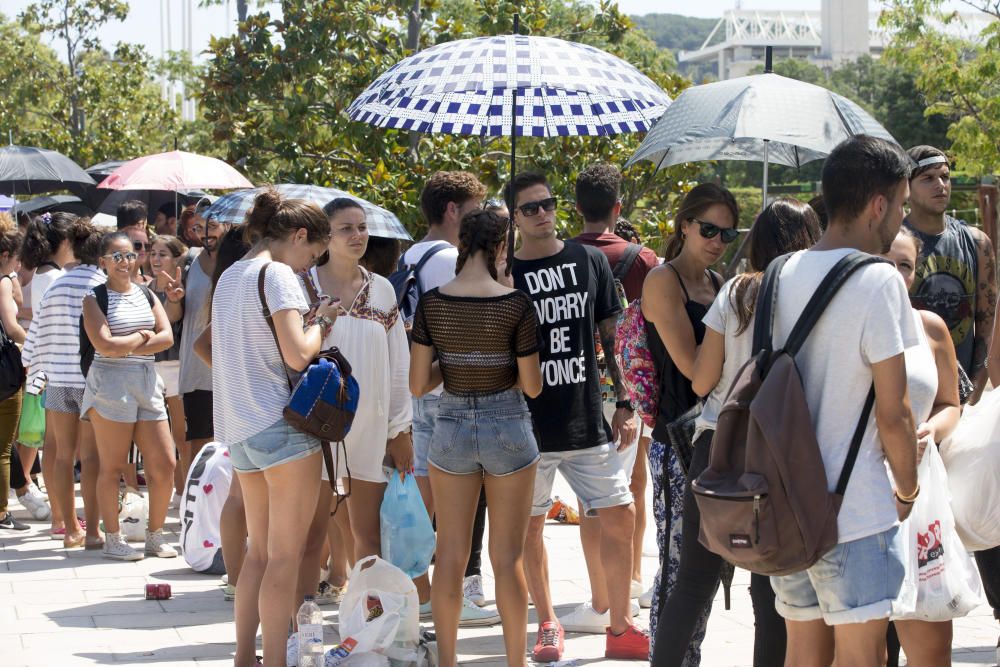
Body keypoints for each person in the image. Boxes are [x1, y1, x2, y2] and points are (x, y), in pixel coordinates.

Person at [767, 135, 918, 667]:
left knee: (802, 656)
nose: (901, 218)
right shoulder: (878, 280)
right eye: (901, 206)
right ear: (878, 205)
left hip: (786, 506)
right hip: (854, 510)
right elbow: (894, 413)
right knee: (863, 659)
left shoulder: (778, 273)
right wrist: (908, 488)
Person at [668, 198, 820, 666]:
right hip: (780, 451)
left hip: (719, 445)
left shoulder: (734, 292)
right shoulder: (817, 295)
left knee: (693, 582)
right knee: (772, 586)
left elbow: (700, 380)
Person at [508, 172, 645, 662]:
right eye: (530, 208)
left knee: (621, 514)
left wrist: (626, 401)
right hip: (525, 425)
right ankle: (547, 623)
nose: (543, 213)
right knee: (529, 527)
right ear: (515, 219)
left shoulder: (587, 259)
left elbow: (613, 335)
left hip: (587, 417)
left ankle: (621, 624)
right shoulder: (506, 272)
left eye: (547, 204)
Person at [410, 208, 542, 667]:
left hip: (449, 428)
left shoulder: (432, 303)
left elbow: (417, 384)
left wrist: (461, 359)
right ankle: (514, 663)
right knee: (508, 560)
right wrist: (493, 354)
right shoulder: (515, 304)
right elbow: (532, 385)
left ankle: (446, 661)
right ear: (501, 247)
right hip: (507, 424)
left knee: (449, 553)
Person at [211, 188, 336, 667]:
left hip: (240, 428)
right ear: (299, 235)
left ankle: (246, 657)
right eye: (312, 254)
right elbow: (298, 353)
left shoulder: (231, 274)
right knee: (283, 558)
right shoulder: (277, 274)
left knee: (258, 556)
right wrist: (322, 318)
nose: (308, 266)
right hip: (281, 428)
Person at [905, 146, 1000, 641]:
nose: (941, 186)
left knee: (977, 502)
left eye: (945, 177)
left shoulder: (975, 241)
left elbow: (986, 311)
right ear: (906, 186)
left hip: (963, 398)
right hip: (913, 399)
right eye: (929, 178)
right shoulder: (897, 242)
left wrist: (980, 383)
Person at [299, 198, 413, 605]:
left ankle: (371, 625)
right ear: (325, 235)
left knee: (369, 535)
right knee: (311, 536)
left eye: (362, 227)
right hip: (313, 427)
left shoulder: (381, 289)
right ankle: (301, 628)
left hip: (369, 425)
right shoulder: (300, 285)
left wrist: (400, 429)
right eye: (347, 228)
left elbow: (399, 363)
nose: (358, 235)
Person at [641, 182, 735, 662]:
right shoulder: (663, 281)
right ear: (684, 224)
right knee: (678, 570)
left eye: (727, 233)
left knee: (706, 572)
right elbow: (696, 374)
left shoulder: (719, 283)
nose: (717, 241)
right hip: (676, 441)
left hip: (711, 441)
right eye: (709, 229)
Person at [403, 171, 497, 623]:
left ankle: (418, 588)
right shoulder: (445, 260)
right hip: (449, 389)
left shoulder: (410, 256)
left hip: (421, 387)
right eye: (474, 210)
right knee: (459, 498)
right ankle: (452, 590)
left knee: (427, 494)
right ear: (452, 211)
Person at [571, 163, 659, 615]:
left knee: (592, 499)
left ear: (574, 207)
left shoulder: (560, 255)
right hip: (631, 388)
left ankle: (602, 598)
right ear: (618, 206)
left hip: (575, 389)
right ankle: (631, 582)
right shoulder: (641, 260)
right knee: (630, 486)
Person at [882, 227, 962, 667]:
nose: (895, 273)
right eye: (885, 261)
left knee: (932, 650)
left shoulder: (930, 327)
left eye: (905, 265)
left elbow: (952, 403)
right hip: (863, 496)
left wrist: (932, 428)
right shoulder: (842, 323)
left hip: (922, 501)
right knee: (858, 648)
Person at [81, 232, 178, 560]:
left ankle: (155, 535)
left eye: (130, 254)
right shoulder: (93, 298)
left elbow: (166, 339)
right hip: (110, 383)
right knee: (112, 466)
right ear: (103, 263)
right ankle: (113, 539)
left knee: (165, 463)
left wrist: (127, 344)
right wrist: (140, 335)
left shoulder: (147, 294)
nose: (125, 262)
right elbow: (104, 345)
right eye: (117, 256)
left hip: (147, 380)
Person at [21, 217, 106, 549]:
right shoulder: (102, 284)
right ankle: (95, 532)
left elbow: (33, 344)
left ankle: (69, 528)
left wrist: (40, 369)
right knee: (92, 458)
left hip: (58, 381)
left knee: (60, 457)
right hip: (93, 381)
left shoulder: (56, 285)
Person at [190, 226, 251, 601]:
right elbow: (201, 344)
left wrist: (228, 377)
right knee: (246, 497)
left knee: (238, 496)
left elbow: (201, 344)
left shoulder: (226, 288)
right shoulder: (250, 287)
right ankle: (241, 577)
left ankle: (235, 579)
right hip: (252, 405)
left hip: (234, 401)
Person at [15, 211, 76, 526]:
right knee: (59, 449)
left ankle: (59, 518)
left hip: (45, 368)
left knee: (51, 448)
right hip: (58, 370)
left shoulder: (41, 274)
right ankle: (62, 517)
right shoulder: (55, 277)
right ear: (63, 241)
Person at [177, 207, 229, 482]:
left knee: (228, 446)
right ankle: (196, 510)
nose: (205, 233)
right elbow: (177, 315)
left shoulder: (238, 261)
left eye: (211, 225)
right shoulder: (189, 261)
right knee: (199, 445)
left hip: (230, 370)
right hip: (196, 369)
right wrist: (174, 298)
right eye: (198, 227)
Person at [148, 235, 188, 497]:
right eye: (153, 253)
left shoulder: (180, 287)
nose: (155, 258)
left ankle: (184, 490)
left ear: (176, 259)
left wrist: (173, 299)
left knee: (180, 433)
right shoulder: (144, 286)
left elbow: (173, 317)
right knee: (153, 433)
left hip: (174, 364)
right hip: (150, 364)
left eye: (162, 254)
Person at [0, 215, 26, 530]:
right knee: (4, 448)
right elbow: (12, 325)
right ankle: (2, 511)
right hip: (4, 373)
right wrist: (35, 344)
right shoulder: (3, 281)